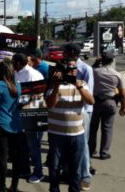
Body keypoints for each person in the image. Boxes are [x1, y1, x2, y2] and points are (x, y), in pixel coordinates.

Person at [46, 59, 95, 192]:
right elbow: (50, 104)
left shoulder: (82, 84)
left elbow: (91, 101)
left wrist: (78, 86)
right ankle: (54, 189)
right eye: (68, 68)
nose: (71, 71)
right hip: (56, 133)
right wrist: (56, 85)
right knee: (55, 166)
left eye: (74, 68)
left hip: (76, 134)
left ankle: (74, 189)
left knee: (75, 167)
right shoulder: (53, 84)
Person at [63, 42, 94, 190]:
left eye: (64, 52)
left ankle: (85, 176)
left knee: (83, 146)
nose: (62, 54)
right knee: (69, 144)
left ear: (71, 53)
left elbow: (90, 94)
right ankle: (70, 172)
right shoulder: (63, 66)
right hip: (65, 110)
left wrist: (85, 114)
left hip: (82, 111)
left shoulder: (85, 69)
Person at [12, 53, 45, 184]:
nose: (12, 65)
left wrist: (17, 100)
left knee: (34, 145)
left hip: (34, 112)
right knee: (24, 144)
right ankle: (25, 169)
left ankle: (38, 173)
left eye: (13, 62)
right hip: (22, 112)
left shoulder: (32, 74)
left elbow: (36, 95)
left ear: (19, 63)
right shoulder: (17, 72)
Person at [0, 59, 22, 192]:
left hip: (1, 124)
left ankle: (1, 187)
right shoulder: (18, 84)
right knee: (15, 158)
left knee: (2, 158)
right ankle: (14, 186)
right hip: (16, 125)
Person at [89, 50, 125, 160]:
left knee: (92, 128)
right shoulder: (117, 75)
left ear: (101, 60)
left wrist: (96, 62)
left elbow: (90, 70)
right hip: (110, 102)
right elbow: (122, 93)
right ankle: (104, 153)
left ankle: (91, 150)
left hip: (95, 102)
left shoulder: (94, 71)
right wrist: (123, 107)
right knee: (107, 128)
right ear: (112, 60)